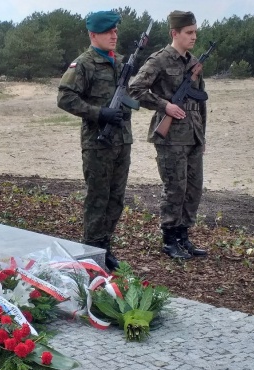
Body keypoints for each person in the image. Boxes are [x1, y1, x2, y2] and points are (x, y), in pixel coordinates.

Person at [57, 10, 133, 271]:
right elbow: (65, 98)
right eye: (108, 31)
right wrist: (100, 113)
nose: (114, 35)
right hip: (98, 143)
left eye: (115, 31)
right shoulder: (84, 64)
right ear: (93, 35)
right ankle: (91, 251)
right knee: (98, 198)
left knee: (116, 198)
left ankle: (105, 247)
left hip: (122, 141)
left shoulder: (121, 63)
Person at [129, 10, 208, 259]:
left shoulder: (193, 62)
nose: (194, 37)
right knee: (175, 188)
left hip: (193, 135)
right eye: (189, 32)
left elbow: (201, 101)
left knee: (193, 189)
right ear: (175, 33)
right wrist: (164, 105)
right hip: (171, 136)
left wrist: (202, 136)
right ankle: (169, 239)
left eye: (195, 32)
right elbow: (135, 89)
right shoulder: (159, 60)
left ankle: (184, 237)